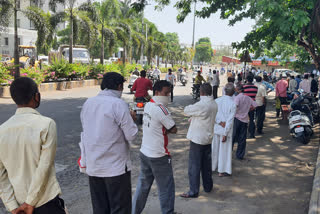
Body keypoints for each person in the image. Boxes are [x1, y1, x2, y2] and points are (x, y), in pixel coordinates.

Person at [0, 77, 65, 214]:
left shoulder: (2, 130)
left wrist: (12, 206)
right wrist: (30, 202)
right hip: (45, 201)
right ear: (36, 96)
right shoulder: (46, 124)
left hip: (19, 207)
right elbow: (44, 167)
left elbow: (1, 176)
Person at [80, 72, 138, 214]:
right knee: (120, 208)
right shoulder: (118, 104)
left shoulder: (88, 103)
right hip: (115, 168)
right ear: (119, 86)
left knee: (100, 208)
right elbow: (131, 135)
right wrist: (132, 119)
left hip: (94, 166)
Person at [132, 80, 177, 214]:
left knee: (143, 186)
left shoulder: (148, 105)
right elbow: (173, 129)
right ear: (157, 92)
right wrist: (164, 130)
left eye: (169, 93)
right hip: (159, 156)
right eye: (166, 93)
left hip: (145, 152)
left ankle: (134, 211)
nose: (168, 95)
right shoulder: (161, 109)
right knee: (166, 188)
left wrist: (161, 129)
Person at [180, 83, 218, 198]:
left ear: (201, 92)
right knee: (206, 165)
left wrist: (193, 115)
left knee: (194, 166)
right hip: (208, 138)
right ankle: (208, 187)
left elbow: (186, 110)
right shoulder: (214, 103)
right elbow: (202, 116)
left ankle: (193, 191)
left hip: (197, 139)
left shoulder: (202, 105)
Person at [212, 83, 237, 176]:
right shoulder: (233, 104)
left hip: (216, 128)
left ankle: (212, 167)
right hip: (225, 130)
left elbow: (212, 114)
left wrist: (219, 122)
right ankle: (221, 171)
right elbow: (230, 121)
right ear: (233, 92)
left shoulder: (217, 100)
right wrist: (225, 133)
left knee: (214, 149)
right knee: (224, 151)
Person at [232, 85, 258, 160]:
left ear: (238, 90)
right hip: (245, 119)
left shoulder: (237, 98)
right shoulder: (248, 98)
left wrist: (236, 112)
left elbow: (235, 107)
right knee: (242, 138)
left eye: (236, 90)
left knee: (233, 136)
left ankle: (228, 153)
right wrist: (249, 110)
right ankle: (240, 154)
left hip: (237, 118)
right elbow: (255, 105)